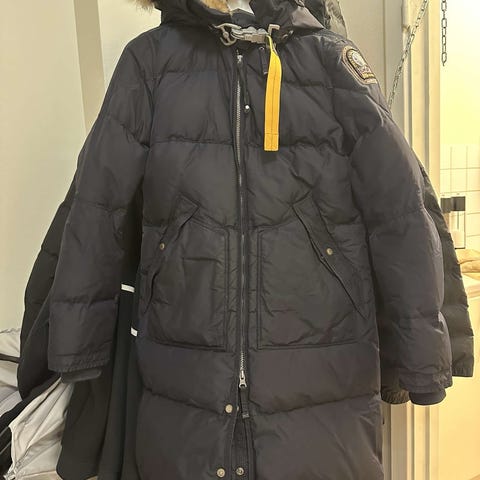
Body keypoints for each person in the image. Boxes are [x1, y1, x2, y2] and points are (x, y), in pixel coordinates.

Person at [43, 1, 472, 478]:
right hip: (185, 385)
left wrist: (422, 357)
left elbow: (399, 208)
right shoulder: (150, 62)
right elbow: (98, 204)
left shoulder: (332, 62)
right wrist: (77, 342)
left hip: (325, 386)